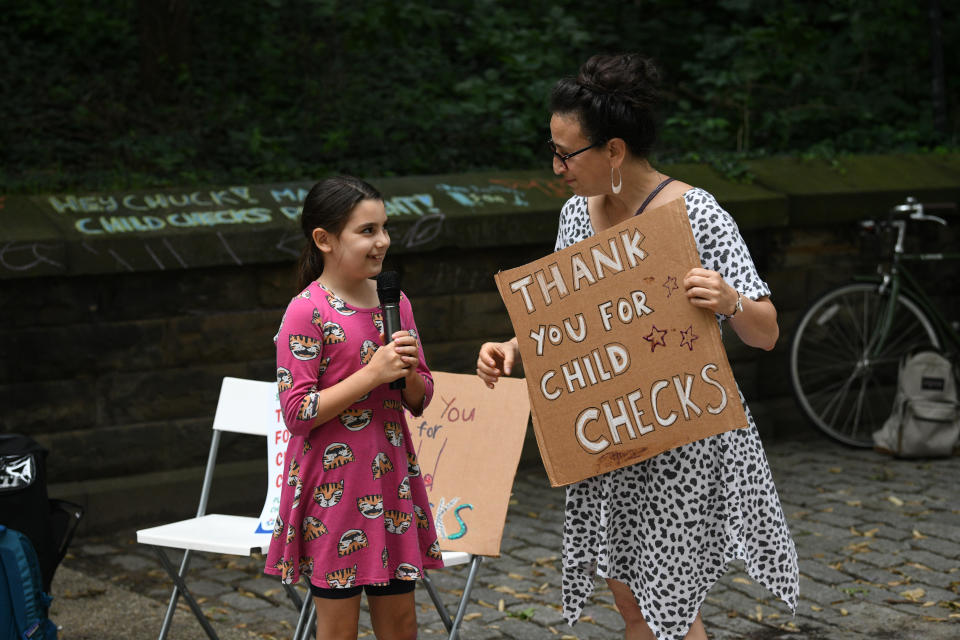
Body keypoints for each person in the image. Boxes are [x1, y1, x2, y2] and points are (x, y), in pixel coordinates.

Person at [477, 54, 799, 640]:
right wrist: (514, 348)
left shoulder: (695, 213)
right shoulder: (576, 215)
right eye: (552, 149)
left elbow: (767, 331)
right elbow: (569, 325)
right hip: (611, 438)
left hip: (682, 439)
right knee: (631, 602)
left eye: (567, 153)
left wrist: (729, 301)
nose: (557, 167)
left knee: (667, 609)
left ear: (615, 151)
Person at [265, 176, 443, 640]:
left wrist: (404, 375)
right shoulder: (307, 311)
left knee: (401, 622)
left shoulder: (396, 303)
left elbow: (420, 394)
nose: (381, 241)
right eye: (366, 230)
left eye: (384, 228)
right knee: (339, 628)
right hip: (335, 490)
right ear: (323, 240)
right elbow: (297, 412)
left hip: (391, 484)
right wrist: (371, 374)